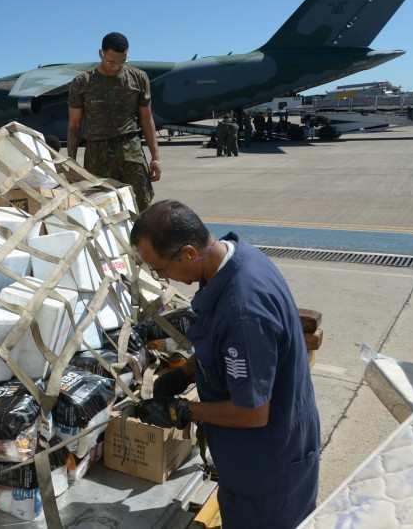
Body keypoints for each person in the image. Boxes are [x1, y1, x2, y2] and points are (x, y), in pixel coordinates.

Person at [129, 200, 320, 528]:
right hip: (255, 458)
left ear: (188, 253)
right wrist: (188, 370)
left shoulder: (243, 310)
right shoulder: (232, 259)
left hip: (267, 470)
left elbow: (253, 412)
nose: (164, 278)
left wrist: (184, 411)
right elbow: (219, 338)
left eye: (161, 269)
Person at [68, 32, 162, 210]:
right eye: (111, 62)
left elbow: (146, 119)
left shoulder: (138, 78)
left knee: (141, 208)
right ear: (100, 54)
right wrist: (71, 161)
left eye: (122, 61)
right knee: (103, 211)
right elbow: (74, 125)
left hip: (130, 153)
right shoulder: (82, 83)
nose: (116, 67)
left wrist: (155, 157)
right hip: (97, 156)